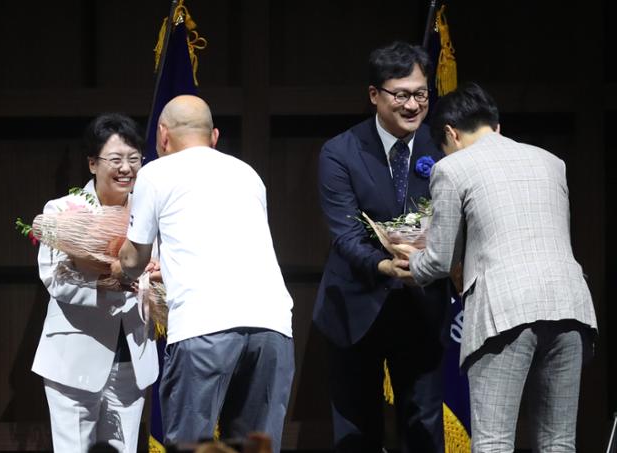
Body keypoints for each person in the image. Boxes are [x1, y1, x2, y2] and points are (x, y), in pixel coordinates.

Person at [394, 82, 598, 452]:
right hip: (571, 307)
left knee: (493, 442)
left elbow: (439, 259)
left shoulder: (452, 167)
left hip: (504, 311)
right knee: (559, 442)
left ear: (450, 134)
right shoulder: (552, 162)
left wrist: (409, 262)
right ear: (496, 126)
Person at [113, 95, 294, 453]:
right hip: (273, 329)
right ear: (213, 136)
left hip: (204, 328)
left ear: (162, 136)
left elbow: (134, 259)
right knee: (255, 448)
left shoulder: (155, 172)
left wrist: (115, 266)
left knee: (191, 448)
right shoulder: (248, 173)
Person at [314, 40, 450, 453]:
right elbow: (346, 234)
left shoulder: (443, 146)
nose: (413, 105)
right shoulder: (340, 152)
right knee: (357, 429)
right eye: (401, 95)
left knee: (423, 424)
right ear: (375, 95)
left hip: (423, 305)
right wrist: (385, 266)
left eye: (421, 94)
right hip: (356, 304)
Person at [31, 113, 158, 453]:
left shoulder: (148, 214)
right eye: (115, 160)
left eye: (134, 159)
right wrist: (107, 282)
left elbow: (161, 273)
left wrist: (156, 277)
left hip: (131, 357)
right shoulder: (64, 211)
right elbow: (54, 278)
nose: (126, 168)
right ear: (92, 163)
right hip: (73, 358)